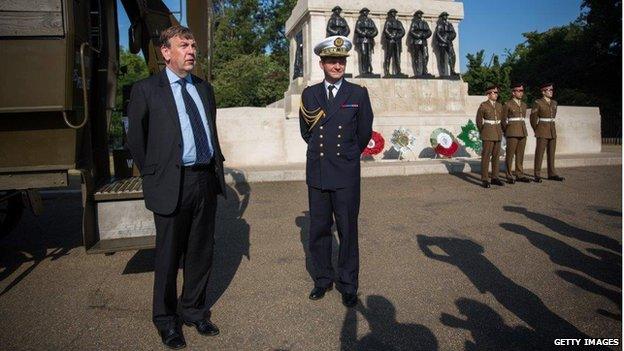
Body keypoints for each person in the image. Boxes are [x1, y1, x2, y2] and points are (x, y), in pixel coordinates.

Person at [127, 25, 226, 349]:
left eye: (194, 45)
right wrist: (154, 174)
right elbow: (136, 139)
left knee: (201, 252)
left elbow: (209, 129)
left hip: (204, 180)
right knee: (168, 257)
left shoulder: (203, 88)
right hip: (172, 182)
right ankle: (166, 321)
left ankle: (193, 310)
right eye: (184, 45)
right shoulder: (146, 89)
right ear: (165, 52)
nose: (192, 51)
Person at [299, 35, 374, 307]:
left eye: (341, 60)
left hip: (345, 173)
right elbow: (306, 132)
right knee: (319, 229)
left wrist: (348, 155)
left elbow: (364, 131)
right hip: (318, 171)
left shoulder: (358, 93)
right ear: (321, 64)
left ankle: (348, 283)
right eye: (331, 60)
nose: (337, 65)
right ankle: (322, 279)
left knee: (347, 229)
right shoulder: (310, 94)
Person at [530, 83, 565, 182]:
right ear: (543, 92)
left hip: (552, 130)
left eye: (552, 90)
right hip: (542, 130)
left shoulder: (554, 103)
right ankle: (537, 174)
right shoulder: (538, 102)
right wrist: (536, 129)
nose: (551, 92)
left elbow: (553, 117)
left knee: (551, 153)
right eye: (549, 90)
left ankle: (552, 173)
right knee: (539, 153)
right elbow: (533, 118)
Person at [501, 83, 531, 183]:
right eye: (519, 91)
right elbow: (503, 120)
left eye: (522, 91)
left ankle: (519, 174)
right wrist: (507, 131)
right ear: (513, 93)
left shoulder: (524, 105)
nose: (521, 93)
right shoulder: (507, 104)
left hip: (523, 132)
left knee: (520, 155)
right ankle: (509, 175)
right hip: (512, 132)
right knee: (510, 155)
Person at [476, 84, 504, 188]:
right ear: (488, 94)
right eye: (494, 92)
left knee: (496, 156)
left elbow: (501, 120)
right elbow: (479, 121)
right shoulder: (483, 105)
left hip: (497, 132)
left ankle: (495, 177)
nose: (496, 94)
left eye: (497, 92)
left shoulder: (499, 105)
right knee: (486, 157)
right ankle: (484, 179)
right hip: (488, 133)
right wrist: (483, 131)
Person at [354, 7, 378, 76]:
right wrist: (364, 33)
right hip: (362, 40)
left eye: (367, 11)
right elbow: (357, 29)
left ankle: (369, 70)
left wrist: (370, 34)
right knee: (363, 54)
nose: (366, 12)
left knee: (369, 55)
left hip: (369, 39)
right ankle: (364, 71)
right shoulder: (359, 21)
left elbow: (375, 30)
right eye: (364, 11)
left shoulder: (370, 21)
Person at [408, 10, 432, 76]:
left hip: (424, 41)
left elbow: (429, 32)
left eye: (421, 14)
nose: (420, 15)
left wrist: (425, 35)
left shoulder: (424, 23)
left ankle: (425, 71)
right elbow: (411, 31)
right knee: (416, 57)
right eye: (418, 14)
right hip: (416, 41)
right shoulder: (414, 23)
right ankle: (418, 72)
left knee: (426, 56)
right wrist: (418, 35)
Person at [383, 9, 406, 76]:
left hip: (397, 40)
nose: (394, 14)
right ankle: (387, 71)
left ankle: (398, 71)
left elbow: (403, 31)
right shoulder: (388, 22)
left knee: (397, 56)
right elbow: (386, 30)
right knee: (388, 55)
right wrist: (391, 36)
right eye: (392, 13)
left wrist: (397, 36)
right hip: (390, 40)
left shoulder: (399, 22)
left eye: (394, 13)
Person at [435, 12, 457, 76]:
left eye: (446, 15)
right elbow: (438, 34)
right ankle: (443, 72)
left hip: (449, 42)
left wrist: (451, 37)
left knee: (453, 55)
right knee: (442, 58)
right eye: (444, 15)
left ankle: (452, 70)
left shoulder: (449, 24)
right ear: (442, 17)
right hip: (442, 43)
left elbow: (454, 33)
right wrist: (443, 40)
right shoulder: (440, 25)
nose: (445, 17)